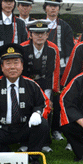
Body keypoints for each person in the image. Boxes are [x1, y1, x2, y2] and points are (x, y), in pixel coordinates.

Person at [0, 43, 51, 164]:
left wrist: (37, 113)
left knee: (42, 124)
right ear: (2, 67)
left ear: (22, 66)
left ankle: (33, 156)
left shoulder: (31, 84)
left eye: (16, 63)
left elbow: (44, 103)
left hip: (24, 127)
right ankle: (9, 155)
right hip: (1, 129)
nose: (12, 67)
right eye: (8, 63)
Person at [21, 19, 61, 152]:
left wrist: (53, 91)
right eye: (36, 33)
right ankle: (25, 141)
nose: (39, 36)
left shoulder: (53, 49)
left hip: (45, 84)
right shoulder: (23, 48)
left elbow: (55, 70)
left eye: (42, 33)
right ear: (30, 34)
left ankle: (45, 142)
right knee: (26, 110)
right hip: (27, 84)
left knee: (46, 111)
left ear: (47, 35)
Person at [42, 0, 75, 141]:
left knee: (57, 100)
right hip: (42, 67)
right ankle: (43, 129)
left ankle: (56, 129)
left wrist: (65, 71)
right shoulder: (38, 25)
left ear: (59, 9)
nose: (53, 9)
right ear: (45, 8)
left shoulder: (65, 26)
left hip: (60, 68)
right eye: (50, 6)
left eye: (55, 6)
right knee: (43, 99)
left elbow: (69, 49)